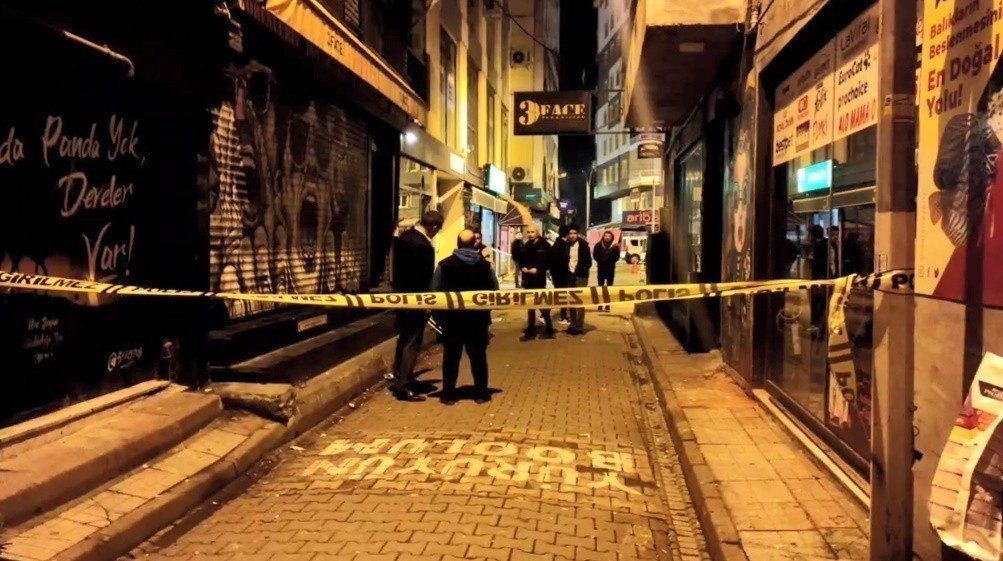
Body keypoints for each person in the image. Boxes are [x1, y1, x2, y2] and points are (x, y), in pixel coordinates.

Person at [430, 229, 497, 404]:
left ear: (458, 244)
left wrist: (439, 317)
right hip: (478, 321)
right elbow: (495, 292)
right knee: (478, 358)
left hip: (452, 321)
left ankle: (448, 394)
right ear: (474, 243)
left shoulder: (444, 265)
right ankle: (481, 393)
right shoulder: (486, 266)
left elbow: (434, 292)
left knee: (451, 358)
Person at [390, 209, 443, 401]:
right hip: (416, 301)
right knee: (412, 341)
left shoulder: (405, 238)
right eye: (437, 230)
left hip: (401, 298)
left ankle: (399, 377)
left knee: (404, 338)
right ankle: (404, 385)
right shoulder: (423, 247)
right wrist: (427, 302)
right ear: (433, 226)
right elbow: (424, 279)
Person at [520, 226, 555, 339]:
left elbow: (549, 262)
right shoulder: (526, 245)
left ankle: (549, 327)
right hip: (528, 279)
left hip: (539, 279)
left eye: (532, 232)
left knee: (542, 303)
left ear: (537, 233)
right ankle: (531, 327)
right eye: (528, 232)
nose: (530, 234)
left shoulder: (545, 245)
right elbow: (521, 259)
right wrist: (523, 267)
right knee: (530, 305)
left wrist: (538, 269)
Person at [558, 225, 592, 334]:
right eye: (570, 233)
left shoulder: (583, 245)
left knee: (579, 302)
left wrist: (579, 270)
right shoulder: (566, 245)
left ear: (577, 234)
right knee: (571, 301)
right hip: (569, 276)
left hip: (580, 276)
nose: (572, 235)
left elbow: (588, 262)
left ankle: (579, 326)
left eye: (574, 233)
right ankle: (573, 324)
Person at [807, 224, 829, 332]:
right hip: (824, 275)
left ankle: (816, 322)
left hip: (818, 275)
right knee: (822, 300)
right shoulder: (827, 243)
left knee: (816, 300)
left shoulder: (814, 245)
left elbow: (812, 260)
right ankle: (820, 321)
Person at [549, 225, 571, 323]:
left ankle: (563, 316)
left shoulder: (559, 243)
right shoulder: (562, 245)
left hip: (559, 274)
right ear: (567, 234)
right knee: (561, 296)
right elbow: (558, 260)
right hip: (561, 274)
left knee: (561, 295)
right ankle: (562, 316)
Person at [593, 230, 620, 311]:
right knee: (600, 287)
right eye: (606, 236)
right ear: (603, 237)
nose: (607, 237)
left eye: (609, 236)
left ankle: (608, 305)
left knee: (609, 287)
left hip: (610, 269)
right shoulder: (598, 245)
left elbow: (617, 257)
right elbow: (595, 256)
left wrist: (610, 260)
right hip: (601, 269)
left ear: (612, 237)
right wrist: (601, 260)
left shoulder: (615, 246)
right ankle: (600, 305)